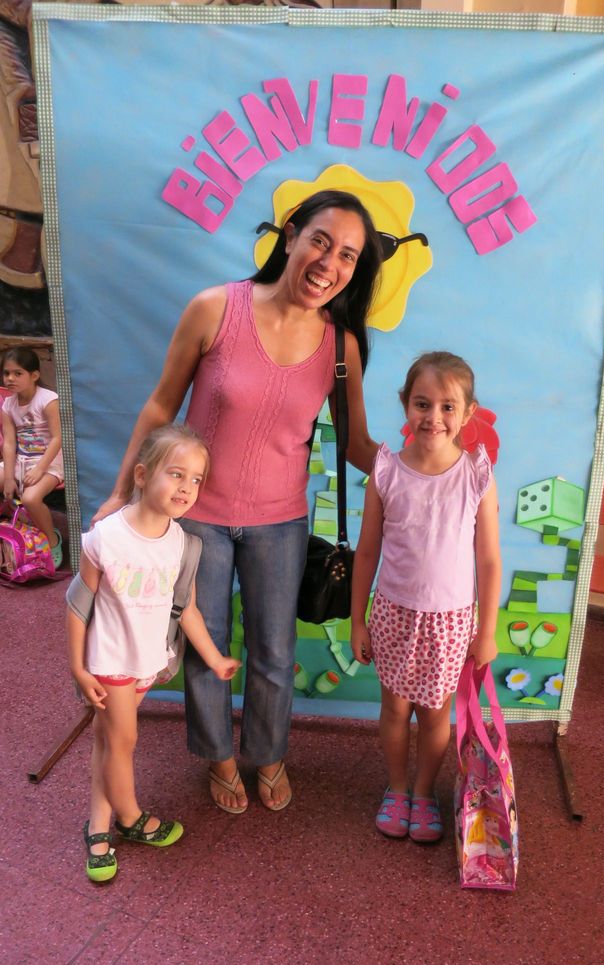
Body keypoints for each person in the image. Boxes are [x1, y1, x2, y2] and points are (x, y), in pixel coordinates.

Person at [93, 190, 383, 813]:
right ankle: (219, 758)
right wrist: (121, 492)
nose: (330, 262)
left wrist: (431, 473)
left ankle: (268, 754)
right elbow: (161, 404)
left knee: (275, 652)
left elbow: (357, 444)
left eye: (348, 256)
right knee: (207, 647)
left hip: (281, 523)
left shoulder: (341, 348)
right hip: (194, 519)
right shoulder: (215, 309)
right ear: (291, 234)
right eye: (321, 241)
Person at [68, 424, 241, 883]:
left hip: (147, 662)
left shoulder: (183, 544)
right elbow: (77, 605)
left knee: (108, 742)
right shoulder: (106, 537)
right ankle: (130, 818)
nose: (187, 487)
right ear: (142, 475)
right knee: (123, 742)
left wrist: (214, 657)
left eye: (196, 479)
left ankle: (98, 826)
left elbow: (187, 610)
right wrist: (78, 667)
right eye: (176, 474)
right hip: (110, 662)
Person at [351, 352, 502, 843]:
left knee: (436, 715)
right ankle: (396, 790)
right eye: (422, 404)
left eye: (447, 407)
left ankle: (423, 793)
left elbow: (489, 561)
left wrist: (487, 633)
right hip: (393, 614)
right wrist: (357, 620)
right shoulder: (387, 472)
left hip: (451, 621)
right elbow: (367, 550)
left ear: (468, 412)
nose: (433, 417)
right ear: (405, 404)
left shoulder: (476, 476)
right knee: (395, 710)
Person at [1, 347, 64, 567]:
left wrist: (40, 469)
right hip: (22, 460)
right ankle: (13, 520)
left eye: (17, 373)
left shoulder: (48, 400)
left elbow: (57, 438)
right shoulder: (8, 404)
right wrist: (9, 477)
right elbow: (9, 443)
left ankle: (52, 539)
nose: (10, 378)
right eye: (6, 373)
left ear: (34, 375)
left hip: (50, 461)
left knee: (30, 498)